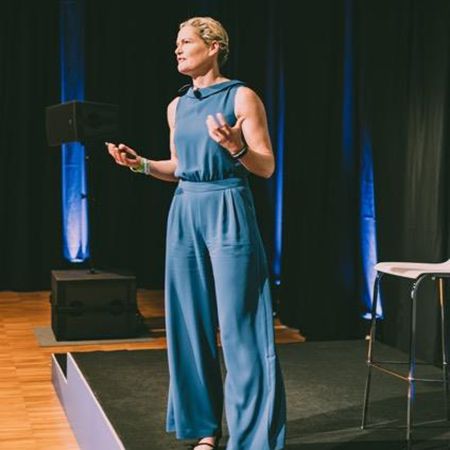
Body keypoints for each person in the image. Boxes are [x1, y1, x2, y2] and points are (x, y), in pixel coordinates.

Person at [107, 16, 286, 450]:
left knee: (240, 325)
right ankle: (205, 429)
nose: (178, 49)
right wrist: (141, 165)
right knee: (189, 324)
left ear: (214, 46)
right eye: (177, 43)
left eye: (186, 42)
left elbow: (265, 166)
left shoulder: (241, 96)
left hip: (228, 207)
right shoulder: (177, 106)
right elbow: (178, 167)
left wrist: (236, 148)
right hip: (186, 209)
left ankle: (251, 438)